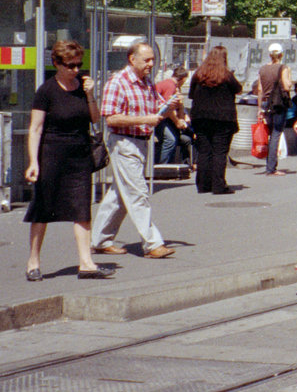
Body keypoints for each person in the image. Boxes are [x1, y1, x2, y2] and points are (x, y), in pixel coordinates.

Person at [23, 41, 114, 280]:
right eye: (70, 65)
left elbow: (95, 120)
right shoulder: (46, 91)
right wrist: (34, 162)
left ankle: (86, 262)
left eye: (79, 65)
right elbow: (35, 128)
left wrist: (91, 94)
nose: (76, 69)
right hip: (52, 153)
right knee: (42, 209)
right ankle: (33, 261)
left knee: (82, 208)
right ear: (57, 64)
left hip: (79, 155)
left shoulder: (83, 86)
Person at [92, 40, 177, 259]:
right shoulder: (118, 82)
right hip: (124, 142)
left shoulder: (147, 82)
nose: (151, 64)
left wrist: (169, 107)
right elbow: (111, 118)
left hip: (141, 142)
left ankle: (100, 239)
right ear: (132, 59)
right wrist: (145, 119)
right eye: (147, 60)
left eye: (152, 60)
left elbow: (156, 110)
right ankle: (152, 243)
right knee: (138, 193)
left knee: (120, 194)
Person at [189, 46, 242, 194]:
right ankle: (218, 185)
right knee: (220, 152)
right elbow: (238, 88)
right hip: (223, 118)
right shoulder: (226, 75)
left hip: (200, 117)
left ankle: (203, 185)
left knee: (204, 151)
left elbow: (192, 95)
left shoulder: (198, 74)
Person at [254, 42, 292, 176]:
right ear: (281, 54)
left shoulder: (263, 69)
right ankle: (271, 168)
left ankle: (270, 165)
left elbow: (259, 89)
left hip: (265, 103)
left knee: (270, 132)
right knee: (276, 133)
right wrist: (290, 81)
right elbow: (286, 86)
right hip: (278, 103)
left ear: (270, 55)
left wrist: (259, 108)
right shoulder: (283, 68)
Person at [155, 67, 191, 164]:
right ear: (183, 78)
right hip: (159, 118)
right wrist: (177, 121)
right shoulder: (170, 86)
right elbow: (169, 108)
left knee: (177, 137)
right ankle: (162, 166)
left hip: (163, 117)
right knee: (170, 140)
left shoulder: (172, 86)